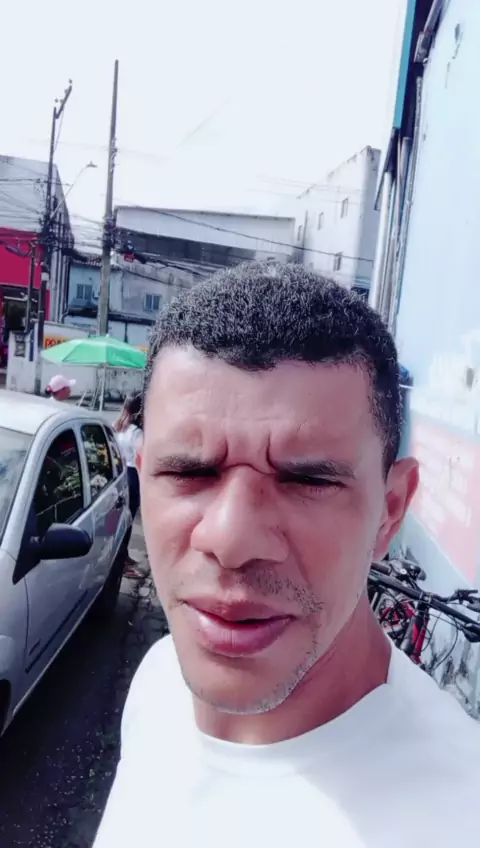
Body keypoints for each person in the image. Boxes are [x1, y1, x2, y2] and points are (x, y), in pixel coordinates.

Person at [94, 263, 480, 848]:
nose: (231, 539)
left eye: (308, 481)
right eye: (189, 471)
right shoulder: (159, 682)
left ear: (391, 511)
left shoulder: (458, 816)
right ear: (142, 476)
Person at [113, 392, 143, 578]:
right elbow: (143, 457)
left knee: (124, 517)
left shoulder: (118, 427)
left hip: (120, 471)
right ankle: (122, 561)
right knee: (128, 519)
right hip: (132, 474)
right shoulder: (136, 433)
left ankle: (124, 555)